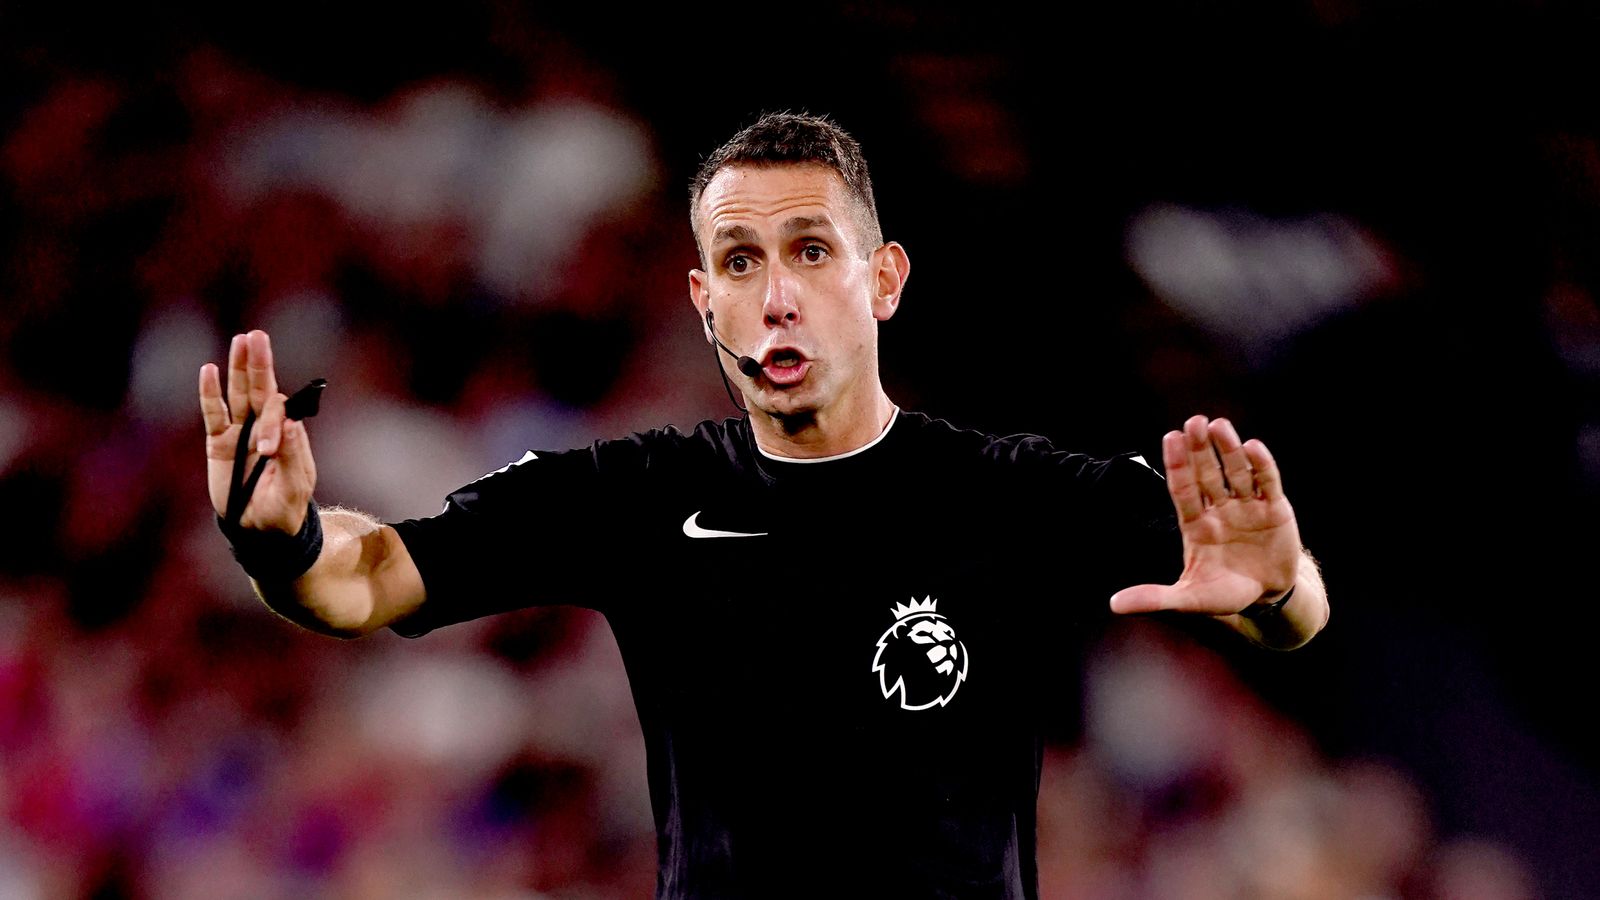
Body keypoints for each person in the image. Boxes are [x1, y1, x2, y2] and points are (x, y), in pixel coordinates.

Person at [198, 112, 1329, 899]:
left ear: (882, 279)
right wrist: (281, 537)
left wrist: (1277, 588)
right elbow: (368, 576)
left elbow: (1291, 615)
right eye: (737, 262)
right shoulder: (637, 495)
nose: (774, 297)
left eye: (808, 251)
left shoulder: (1014, 491)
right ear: (702, 303)